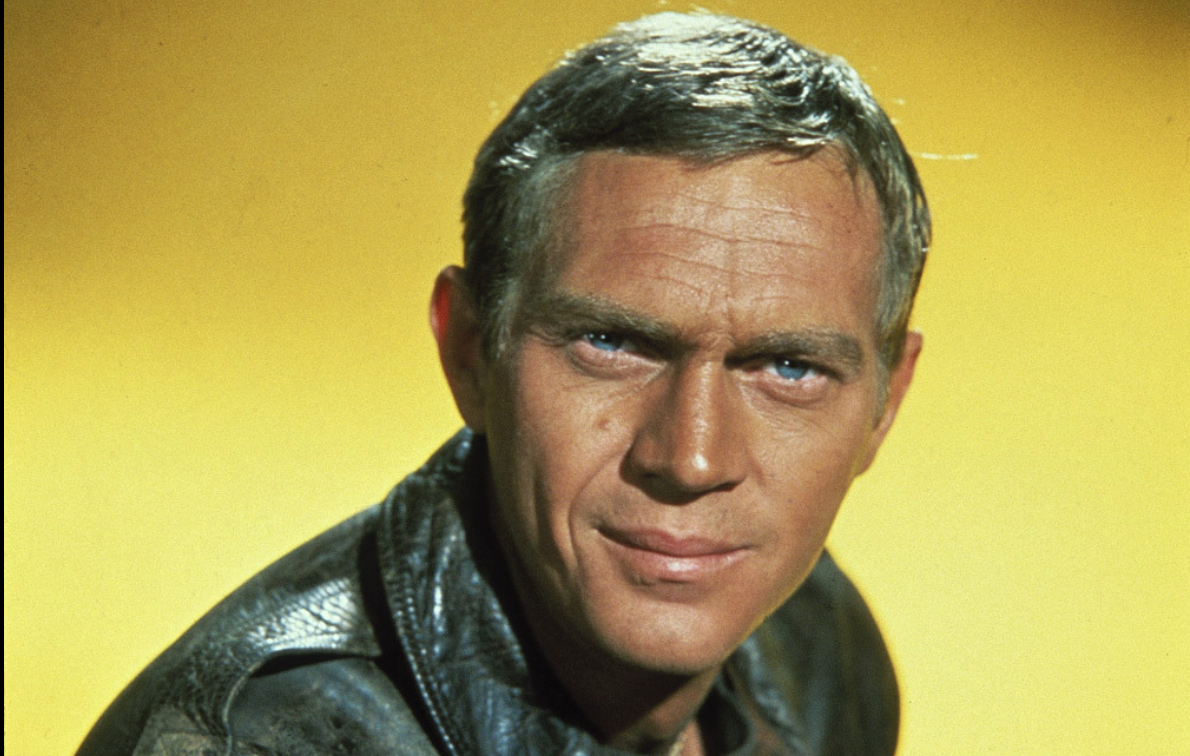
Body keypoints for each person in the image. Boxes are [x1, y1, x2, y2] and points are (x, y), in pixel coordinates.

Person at [77, 12, 929, 756]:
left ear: (885, 404)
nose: (692, 458)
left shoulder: (819, 646)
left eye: (789, 367)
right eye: (610, 343)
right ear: (470, 352)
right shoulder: (254, 741)